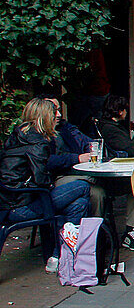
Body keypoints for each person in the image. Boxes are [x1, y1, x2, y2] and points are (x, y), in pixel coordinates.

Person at [0, 98, 91, 272]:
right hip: (23, 205)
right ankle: (61, 255)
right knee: (83, 187)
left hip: (8, 202)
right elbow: (41, 180)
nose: (58, 116)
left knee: (80, 203)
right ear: (44, 117)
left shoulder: (19, 134)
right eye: (53, 113)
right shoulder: (38, 142)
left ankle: (58, 257)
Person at [95, 94, 134, 250]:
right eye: (125, 109)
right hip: (114, 178)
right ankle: (132, 229)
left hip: (116, 170)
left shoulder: (107, 126)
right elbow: (131, 150)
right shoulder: (111, 129)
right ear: (119, 111)